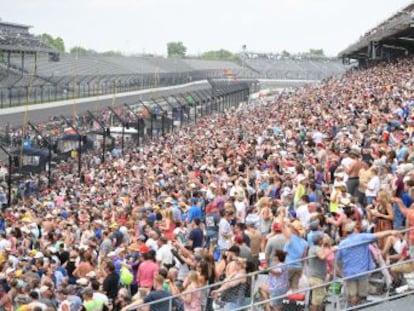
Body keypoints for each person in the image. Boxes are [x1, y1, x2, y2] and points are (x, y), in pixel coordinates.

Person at [336, 221, 397, 306]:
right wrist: (390, 232)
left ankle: (353, 306)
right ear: (354, 229)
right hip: (362, 272)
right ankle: (359, 306)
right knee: (362, 294)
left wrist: (341, 273)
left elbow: (337, 259)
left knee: (352, 295)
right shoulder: (362, 237)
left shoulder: (342, 244)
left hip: (349, 273)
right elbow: (378, 235)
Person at [306, 233, 331, 311]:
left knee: (318, 299)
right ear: (320, 240)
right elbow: (322, 257)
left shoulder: (314, 248)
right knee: (316, 301)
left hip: (316, 277)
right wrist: (332, 250)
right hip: (316, 278)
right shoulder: (316, 248)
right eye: (322, 238)